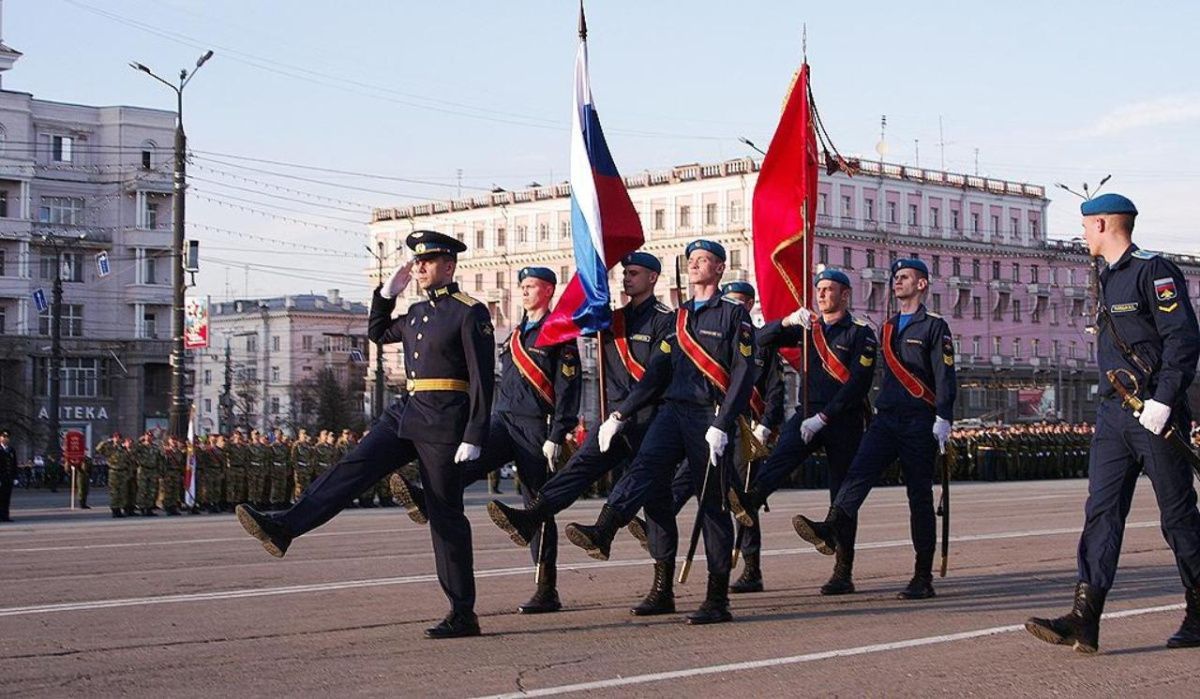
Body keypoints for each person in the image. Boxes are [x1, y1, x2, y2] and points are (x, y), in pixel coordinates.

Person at [235, 230, 495, 639]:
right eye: (417, 262)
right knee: (352, 466)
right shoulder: (415, 315)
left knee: (444, 514)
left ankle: (463, 612)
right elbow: (377, 332)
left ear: (449, 266)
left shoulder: (469, 312)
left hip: (445, 419)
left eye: (428, 261)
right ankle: (285, 528)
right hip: (407, 411)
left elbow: (482, 379)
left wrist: (475, 431)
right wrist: (386, 293)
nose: (420, 267)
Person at [1026, 193, 1200, 652]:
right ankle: (1085, 618)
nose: (1082, 234)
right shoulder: (1103, 277)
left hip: (1154, 413)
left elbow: (1182, 339)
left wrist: (1164, 399)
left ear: (1102, 224)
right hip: (1113, 413)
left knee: (1178, 516)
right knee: (1101, 514)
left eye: (1086, 226)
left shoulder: (1153, 271)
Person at [565, 239, 756, 624]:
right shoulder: (679, 318)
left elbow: (743, 373)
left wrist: (723, 423)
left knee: (713, 506)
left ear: (720, 269)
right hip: (673, 411)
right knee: (644, 470)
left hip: (710, 417)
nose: (697, 265)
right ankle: (606, 529)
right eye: (692, 261)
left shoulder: (735, 316)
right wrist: (621, 413)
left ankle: (717, 598)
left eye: (704, 260)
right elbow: (656, 373)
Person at [485, 251, 677, 615]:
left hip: (651, 421)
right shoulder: (609, 319)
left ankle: (662, 588)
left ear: (653, 278)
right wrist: (593, 285)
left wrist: (622, 412)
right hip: (612, 424)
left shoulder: (666, 321)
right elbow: (569, 324)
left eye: (633, 273)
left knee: (657, 505)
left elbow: (656, 376)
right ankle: (532, 516)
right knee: (577, 470)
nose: (626, 278)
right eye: (624, 272)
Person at [392, 265, 581, 614]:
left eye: (531, 286)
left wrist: (558, 433)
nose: (524, 292)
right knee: (466, 460)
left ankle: (546, 588)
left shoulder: (558, 334)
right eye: (522, 286)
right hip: (503, 419)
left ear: (549, 291)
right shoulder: (515, 334)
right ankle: (427, 495)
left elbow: (570, 388)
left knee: (535, 506)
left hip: (536, 427)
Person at [792, 258, 956, 600]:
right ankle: (832, 525)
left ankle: (922, 575)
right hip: (886, 419)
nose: (897, 282)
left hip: (919, 420)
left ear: (922, 284)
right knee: (856, 474)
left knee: (919, 498)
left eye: (905, 277)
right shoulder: (888, 327)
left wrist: (944, 416)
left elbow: (945, 375)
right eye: (895, 277)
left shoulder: (934, 327)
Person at [727, 269, 877, 595]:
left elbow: (857, 385)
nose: (821, 295)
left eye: (828, 289)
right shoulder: (809, 330)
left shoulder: (860, 333)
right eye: (819, 289)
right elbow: (758, 340)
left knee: (841, 494)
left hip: (842, 419)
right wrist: (787, 323)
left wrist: (825, 416)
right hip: (806, 412)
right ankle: (749, 502)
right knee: (778, 461)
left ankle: (843, 571)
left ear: (845, 295)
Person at [0, 431, 15, 522]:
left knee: (7, 498)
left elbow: (14, 463)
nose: (5, 438)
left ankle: (5, 516)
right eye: (3, 436)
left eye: (7, 437)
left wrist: (15, 477)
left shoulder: (11, 450)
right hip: (1, 477)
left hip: (8, 477)